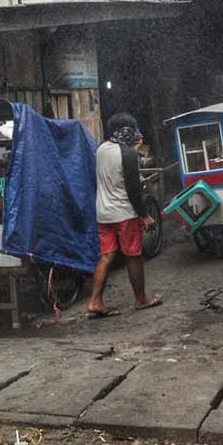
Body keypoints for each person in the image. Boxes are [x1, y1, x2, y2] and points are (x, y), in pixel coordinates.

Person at [88, 112, 162, 317]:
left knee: (107, 255)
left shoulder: (101, 149)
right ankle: (141, 300)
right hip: (124, 214)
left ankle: (95, 301)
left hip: (103, 213)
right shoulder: (129, 155)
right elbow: (133, 188)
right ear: (125, 131)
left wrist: (133, 150)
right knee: (134, 256)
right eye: (132, 129)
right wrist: (144, 215)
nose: (135, 133)